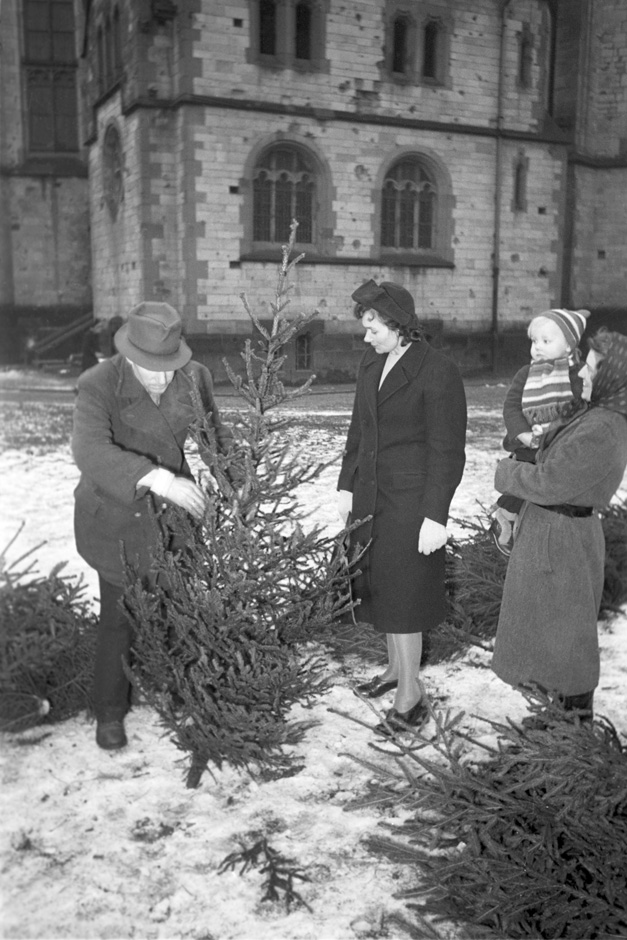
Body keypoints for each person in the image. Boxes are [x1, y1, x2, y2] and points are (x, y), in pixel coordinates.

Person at [72, 301, 232, 751]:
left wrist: (236, 482)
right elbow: (89, 451)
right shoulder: (98, 383)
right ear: (128, 355)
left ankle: (178, 689)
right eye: (151, 369)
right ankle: (109, 711)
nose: (163, 378)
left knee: (178, 608)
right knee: (119, 617)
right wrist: (162, 480)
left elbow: (214, 437)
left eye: (170, 366)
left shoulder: (194, 376)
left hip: (172, 521)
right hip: (116, 515)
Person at [337, 280, 467, 736]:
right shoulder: (372, 361)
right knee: (384, 589)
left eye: (373, 328)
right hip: (371, 495)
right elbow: (358, 428)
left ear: (398, 325)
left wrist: (436, 515)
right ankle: (396, 671)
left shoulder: (438, 371)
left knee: (405, 598)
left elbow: (447, 450)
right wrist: (345, 484)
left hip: (411, 504)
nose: (366, 336)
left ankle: (410, 700)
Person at [491, 329, 627, 721]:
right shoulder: (595, 414)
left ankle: (574, 727)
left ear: (613, 375)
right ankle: (558, 718)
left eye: (592, 367)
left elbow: (551, 480)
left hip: (563, 537)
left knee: (567, 638)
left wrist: (506, 472)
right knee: (549, 633)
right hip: (554, 531)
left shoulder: (604, 426)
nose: (582, 372)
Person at [489, 308, 589, 555]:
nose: (538, 347)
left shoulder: (579, 375)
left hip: (560, 444)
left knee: (553, 480)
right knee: (527, 473)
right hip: (529, 443)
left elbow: (583, 409)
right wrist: (522, 433)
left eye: (546, 341)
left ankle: (525, 520)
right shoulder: (526, 374)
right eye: (534, 341)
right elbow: (512, 406)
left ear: (568, 346)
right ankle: (506, 515)